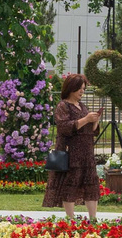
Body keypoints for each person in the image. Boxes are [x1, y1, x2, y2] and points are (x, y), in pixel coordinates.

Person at [42, 72, 100, 218]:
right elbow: (64, 127)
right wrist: (86, 119)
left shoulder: (82, 106)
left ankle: (93, 218)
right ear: (71, 88)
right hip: (71, 152)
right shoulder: (63, 106)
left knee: (91, 184)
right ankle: (70, 218)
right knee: (70, 184)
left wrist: (94, 122)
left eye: (84, 89)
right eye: (80, 88)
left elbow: (89, 130)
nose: (82, 91)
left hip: (86, 152)